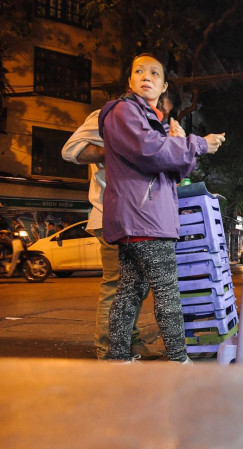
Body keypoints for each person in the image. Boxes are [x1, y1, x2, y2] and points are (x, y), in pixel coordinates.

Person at [98, 53, 225, 363]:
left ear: (164, 85)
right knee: (167, 291)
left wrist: (179, 144)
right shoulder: (124, 111)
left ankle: (117, 359)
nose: (146, 76)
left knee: (130, 290)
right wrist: (197, 144)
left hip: (140, 218)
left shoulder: (151, 120)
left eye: (155, 73)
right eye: (139, 71)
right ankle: (179, 360)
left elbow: (172, 173)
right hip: (144, 218)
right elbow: (150, 151)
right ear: (129, 81)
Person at [61, 85, 184, 360]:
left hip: (139, 219)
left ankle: (130, 342)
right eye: (160, 107)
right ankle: (109, 352)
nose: (159, 113)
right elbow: (70, 150)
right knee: (117, 285)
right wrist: (117, 150)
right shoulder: (108, 117)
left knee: (134, 286)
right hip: (111, 215)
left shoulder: (146, 125)